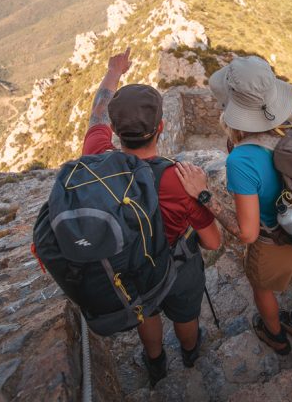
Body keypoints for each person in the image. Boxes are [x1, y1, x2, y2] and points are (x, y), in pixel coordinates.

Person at [82, 47, 221, 385]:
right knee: (185, 314)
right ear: (161, 127)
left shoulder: (97, 156)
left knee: (146, 312)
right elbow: (214, 242)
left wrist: (114, 72)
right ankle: (190, 353)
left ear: (115, 130)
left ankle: (155, 361)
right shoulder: (179, 179)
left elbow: (97, 112)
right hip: (177, 267)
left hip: (130, 264)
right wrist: (202, 195)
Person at [207, 56, 292, 355]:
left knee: (262, 287)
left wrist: (206, 197)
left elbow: (248, 233)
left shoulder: (242, 160)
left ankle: (276, 336)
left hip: (274, 239)